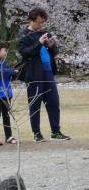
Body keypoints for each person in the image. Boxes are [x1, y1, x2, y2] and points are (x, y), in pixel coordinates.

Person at [17, 7, 70, 142]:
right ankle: (37, 133)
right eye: (39, 22)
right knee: (35, 104)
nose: (42, 25)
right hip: (34, 74)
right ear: (32, 20)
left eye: (43, 22)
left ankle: (56, 132)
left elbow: (54, 52)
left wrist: (51, 46)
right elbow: (25, 52)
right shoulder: (24, 35)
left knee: (53, 102)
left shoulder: (45, 32)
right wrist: (39, 43)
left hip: (48, 72)